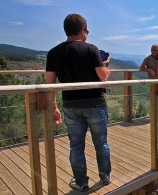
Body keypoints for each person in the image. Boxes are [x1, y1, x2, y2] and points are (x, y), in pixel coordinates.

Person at [45, 13, 111, 192]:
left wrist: (54, 106)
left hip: (71, 105)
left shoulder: (53, 53)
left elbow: (49, 83)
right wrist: (105, 64)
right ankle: (105, 177)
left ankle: (81, 182)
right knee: (101, 142)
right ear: (82, 30)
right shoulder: (91, 49)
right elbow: (103, 76)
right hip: (95, 104)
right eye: (86, 31)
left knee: (76, 146)